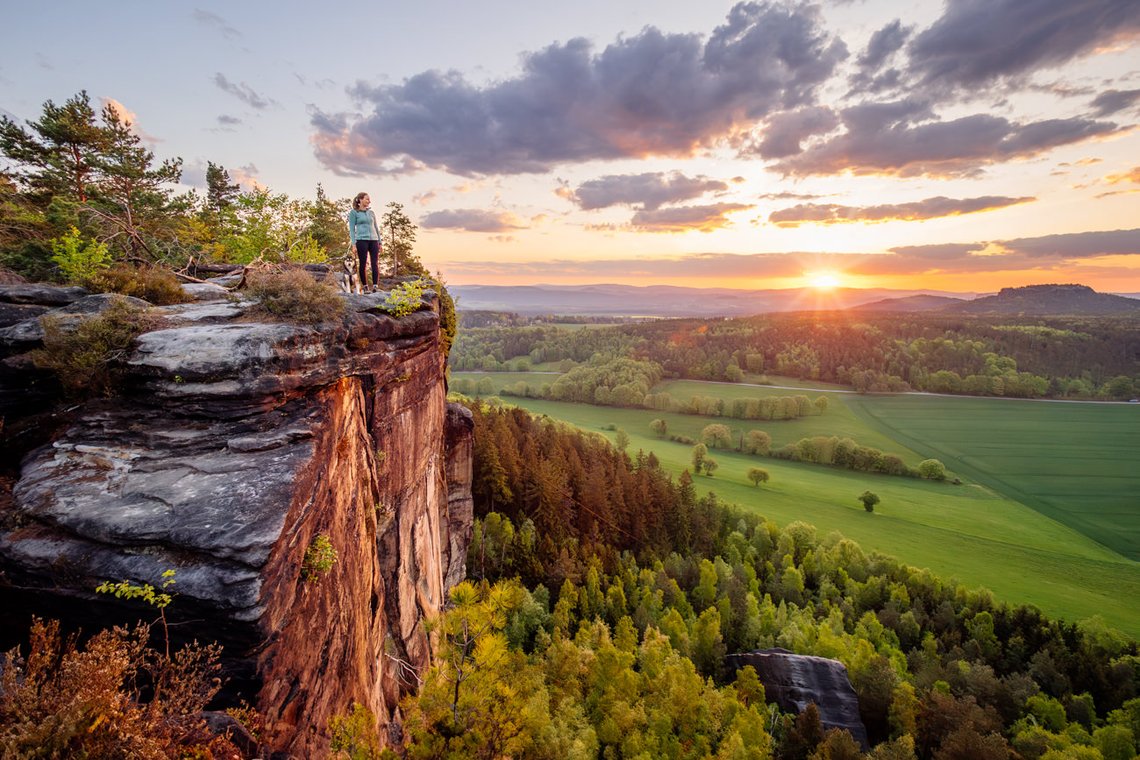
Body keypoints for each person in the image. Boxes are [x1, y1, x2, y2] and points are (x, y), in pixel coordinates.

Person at [347, 192, 382, 292]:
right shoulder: (354, 213)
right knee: (363, 264)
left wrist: (380, 242)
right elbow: (352, 230)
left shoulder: (371, 213)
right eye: (367, 199)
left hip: (374, 240)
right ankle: (366, 287)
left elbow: (376, 227)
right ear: (360, 200)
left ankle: (375, 286)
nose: (369, 201)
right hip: (361, 241)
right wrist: (354, 244)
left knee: (374, 263)